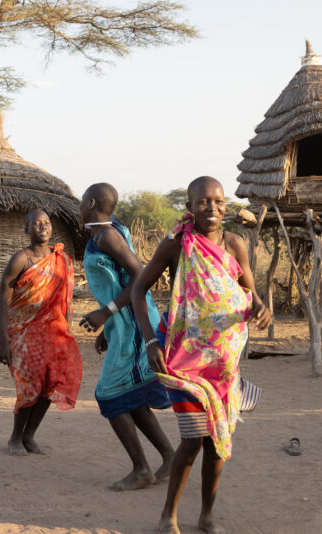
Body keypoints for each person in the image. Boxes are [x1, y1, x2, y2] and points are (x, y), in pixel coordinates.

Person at [131, 177, 270, 534]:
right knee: (193, 439)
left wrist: (261, 307)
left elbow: (249, 293)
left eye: (219, 202)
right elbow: (138, 290)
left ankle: (206, 516)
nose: (213, 208)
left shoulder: (235, 244)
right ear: (190, 206)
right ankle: (168, 517)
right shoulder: (176, 245)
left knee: (217, 441)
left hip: (223, 363)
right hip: (182, 357)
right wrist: (150, 342)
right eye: (204, 202)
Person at [78, 183, 174, 491]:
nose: (80, 204)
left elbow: (139, 273)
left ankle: (141, 469)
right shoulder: (102, 232)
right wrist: (109, 329)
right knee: (127, 395)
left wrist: (106, 313)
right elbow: (115, 278)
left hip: (134, 323)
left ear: (91, 202)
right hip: (124, 324)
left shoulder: (107, 236)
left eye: (82, 200)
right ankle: (169, 456)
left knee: (108, 394)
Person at [0, 209, 83, 455]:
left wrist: (66, 331)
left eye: (46, 223)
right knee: (28, 386)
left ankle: (30, 436)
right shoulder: (20, 259)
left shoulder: (62, 259)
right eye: (36, 224)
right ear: (26, 230)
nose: (42, 227)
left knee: (49, 385)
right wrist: (3, 341)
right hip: (23, 334)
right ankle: (15, 437)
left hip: (54, 333)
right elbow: (3, 300)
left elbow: (66, 299)